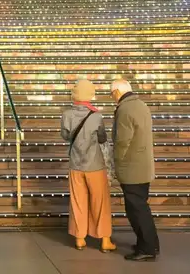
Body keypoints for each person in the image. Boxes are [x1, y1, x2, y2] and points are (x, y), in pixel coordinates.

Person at [60, 80, 116, 253]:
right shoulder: (96, 116)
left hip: (76, 165)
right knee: (100, 203)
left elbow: (65, 136)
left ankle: (79, 238)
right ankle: (105, 240)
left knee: (78, 202)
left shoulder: (67, 114)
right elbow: (102, 138)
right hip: (95, 166)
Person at [111, 79, 159, 262]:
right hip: (144, 166)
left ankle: (146, 248)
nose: (112, 98)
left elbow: (123, 141)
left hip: (132, 168)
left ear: (116, 92)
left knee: (136, 210)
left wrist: (116, 161)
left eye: (111, 94)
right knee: (142, 207)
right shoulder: (141, 105)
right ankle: (150, 243)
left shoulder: (125, 109)